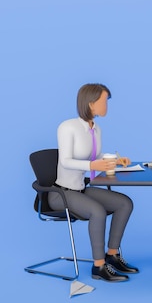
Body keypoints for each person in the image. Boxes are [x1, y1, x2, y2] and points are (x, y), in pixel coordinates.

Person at [50, 83, 139, 282]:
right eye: (104, 101)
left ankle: (112, 255)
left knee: (125, 203)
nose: (106, 105)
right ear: (91, 103)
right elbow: (65, 161)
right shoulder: (67, 127)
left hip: (81, 189)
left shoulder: (95, 128)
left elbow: (96, 156)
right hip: (61, 194)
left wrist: (116, 160)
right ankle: (98, 267)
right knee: (97, 211)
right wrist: (93, 164)